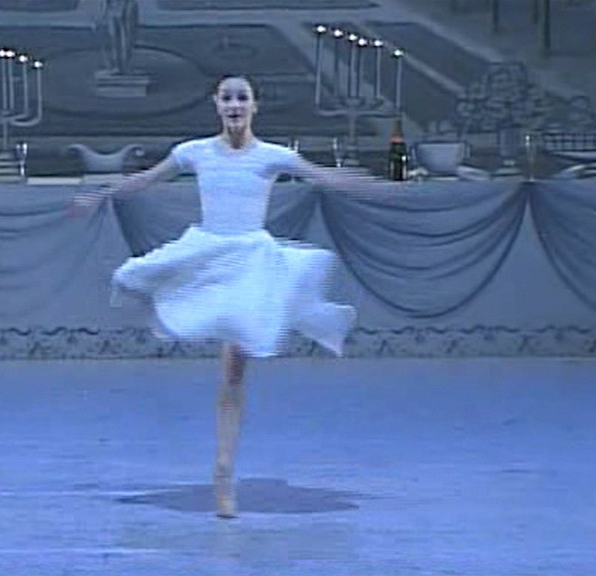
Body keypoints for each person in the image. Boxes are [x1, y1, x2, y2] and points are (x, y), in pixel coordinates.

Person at [73, 75, 381, 519]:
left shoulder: (272, 156)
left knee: (235, 368)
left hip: (250, 260)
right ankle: (222, 470)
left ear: (254, 106)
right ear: (216, 105)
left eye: (242, 98)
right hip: (208, 253)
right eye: (227, 98)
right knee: (135, 279)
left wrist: (374, 186)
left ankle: (223, 472)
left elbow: (324, 177)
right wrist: (100, 195)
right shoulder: (194, 152)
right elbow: (144, 180)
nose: (235, 105)